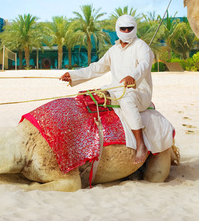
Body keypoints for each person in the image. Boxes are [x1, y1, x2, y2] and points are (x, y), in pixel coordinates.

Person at [59, 14, 154, 164]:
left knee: (127, 100)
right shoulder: (114, 50)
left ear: (134, 28)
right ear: (118, 29)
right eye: (123, 28)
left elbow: (144, 65)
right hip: (116, 89)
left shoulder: (141, 46)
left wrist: (133, 77)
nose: (126, 30)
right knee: (95, 94)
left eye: (130, 28)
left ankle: (140, 145)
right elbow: (97, 68)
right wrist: (73, 75)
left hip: (139, 93)